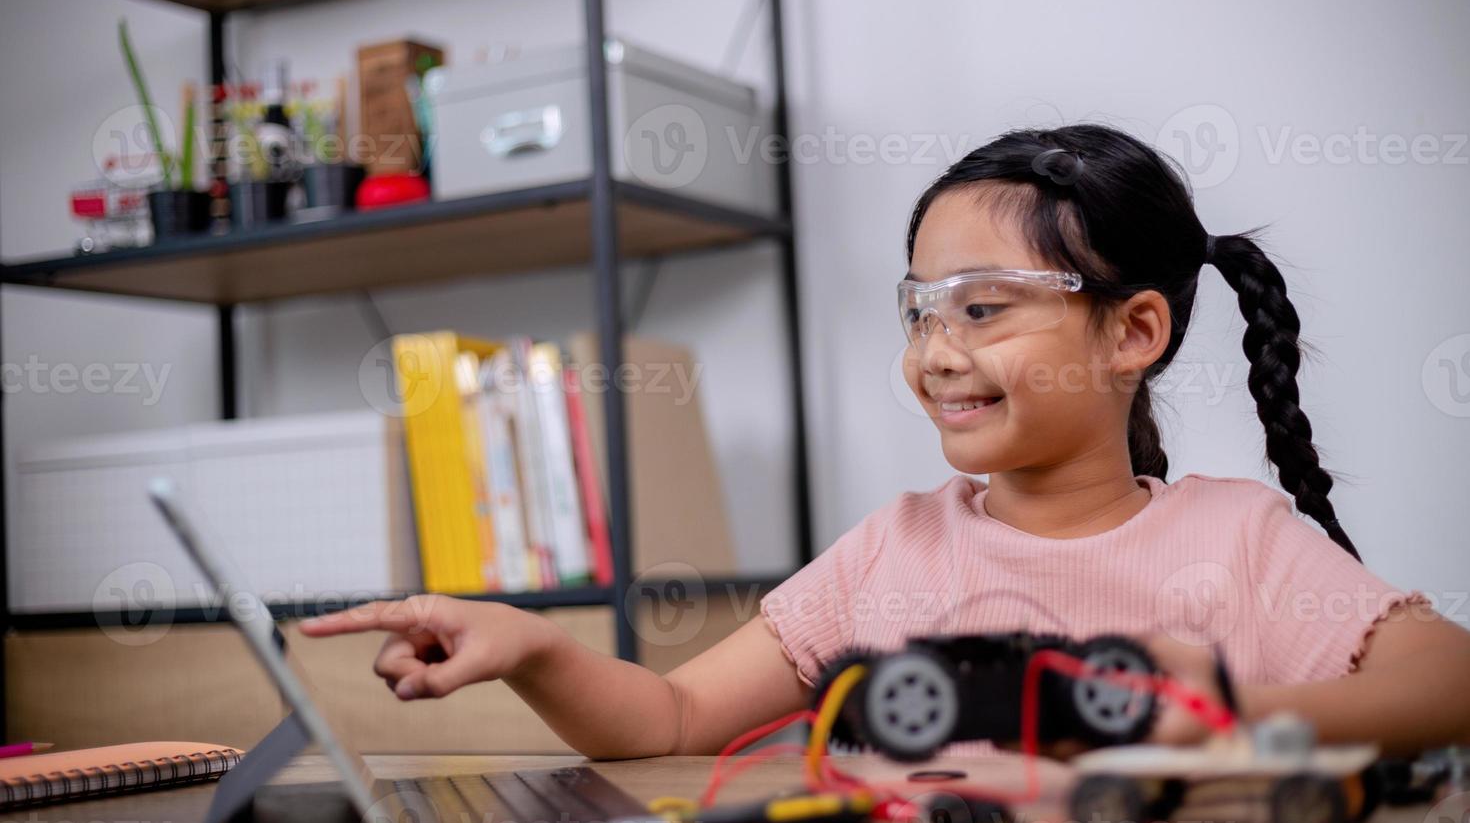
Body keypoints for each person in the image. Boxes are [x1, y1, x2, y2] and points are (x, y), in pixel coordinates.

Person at [301, 124, 1470, 759]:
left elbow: (1449, 677)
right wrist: (532, 647)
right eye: (919, 308)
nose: (935, 349)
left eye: (982, 306)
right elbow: (666, 720)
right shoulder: (890, 554)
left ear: (1136, 330)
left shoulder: (1237, 536)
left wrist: (1230, 716)